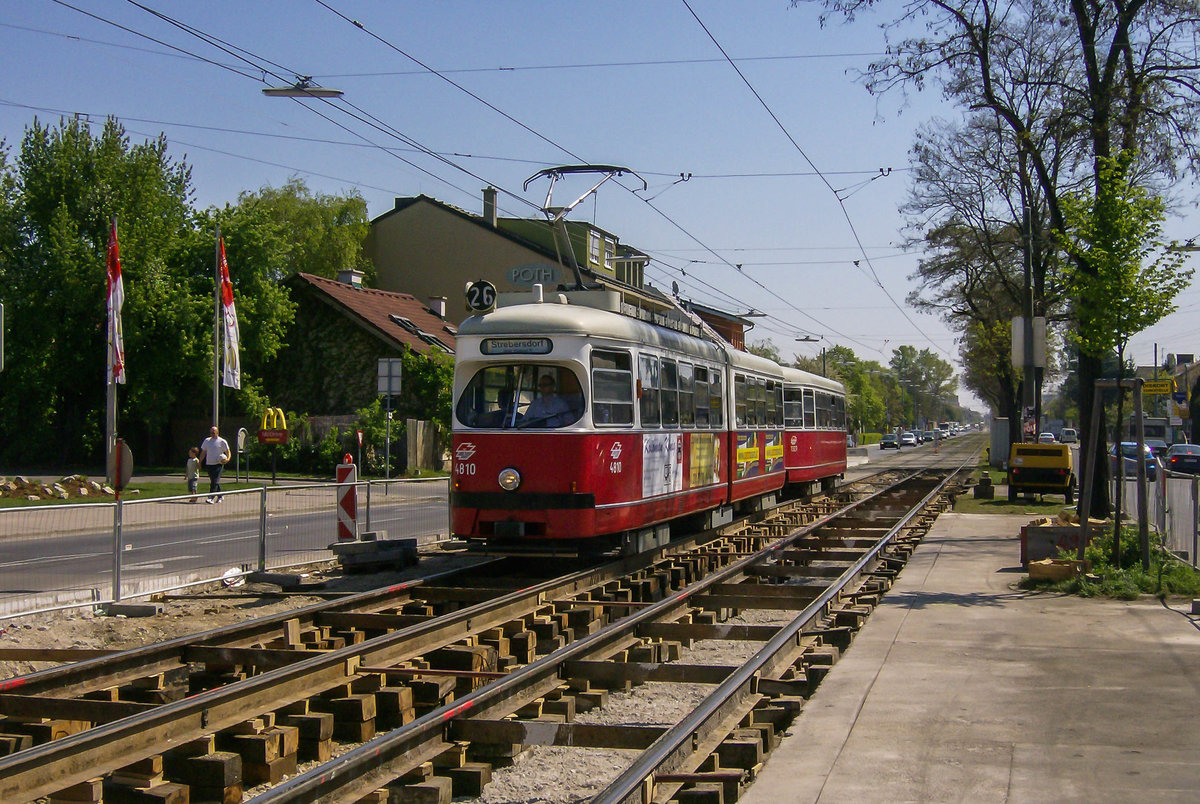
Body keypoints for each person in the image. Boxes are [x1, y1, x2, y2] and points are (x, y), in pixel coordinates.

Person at [199, 425, 231, 503]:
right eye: (211, 433)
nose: (212, 434)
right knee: (214, 480)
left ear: (217, 432)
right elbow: (203, 452)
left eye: (213, 432)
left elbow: (228, 452)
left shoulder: (222, 441)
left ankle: (211, 497)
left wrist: (227, 459)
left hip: (218, 464)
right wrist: (200, 461)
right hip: (209, 464)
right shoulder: (207, 441)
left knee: (215, 481)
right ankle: (220, 496)